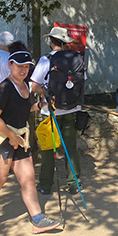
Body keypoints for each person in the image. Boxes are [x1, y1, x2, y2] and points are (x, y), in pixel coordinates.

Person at [0, 50, 61, 236]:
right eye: (20, 66)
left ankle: (37, 219)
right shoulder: (5, 87)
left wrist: (40, 106)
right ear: (10, 65)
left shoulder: (24, 86)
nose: (24, 70)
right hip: (0, 138)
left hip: (19, 136)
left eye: (26, 66)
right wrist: (10, 136)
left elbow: (23, 108)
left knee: (28, 177)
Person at [31, 27, 84, 195]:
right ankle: (74, 184)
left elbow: (33, 86)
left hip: (50, 110)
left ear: (51, 41)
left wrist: (46, 92)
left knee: (49, 148)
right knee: (70, 147)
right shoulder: (76, 59)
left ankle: (46, 185)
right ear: (65, 42)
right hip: (72, 108)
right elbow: (81, 82)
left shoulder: (46, 60)